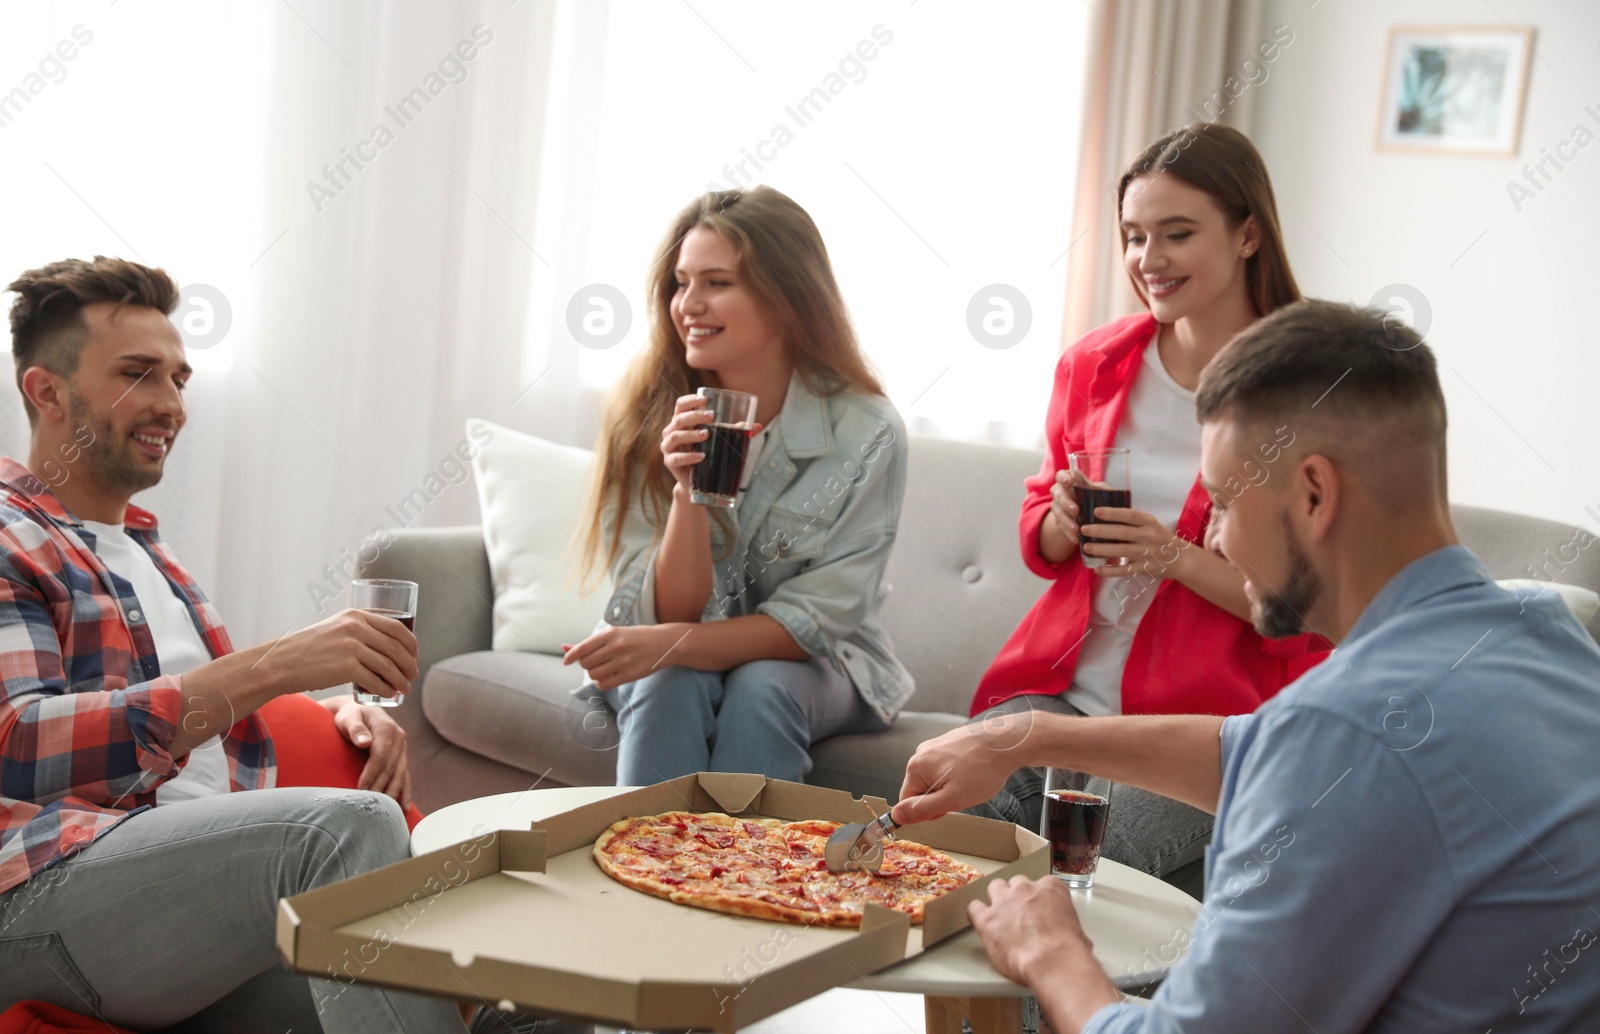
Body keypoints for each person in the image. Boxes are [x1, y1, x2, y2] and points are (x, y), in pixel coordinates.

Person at [893, 300, 1600, 1032]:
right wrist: (1026, 736)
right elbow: (1254, 753)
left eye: (1224, 504)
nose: (1218, 543)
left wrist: (1052, 956)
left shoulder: (1341, 724)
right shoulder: (1548, 635)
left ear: (1315, 494)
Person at [0, 258, 582, 1033]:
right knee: (348, 826)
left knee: (534, 994)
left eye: (179, 378)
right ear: (46, 391)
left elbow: (195, 734)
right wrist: (277, 662)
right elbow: (17, 744)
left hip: (196, 905)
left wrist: (330, 709)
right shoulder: (12, 537)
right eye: (138, 374)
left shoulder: (151, 555)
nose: (169, 403)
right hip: (45, 899)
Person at [964, 125, 1328, 883]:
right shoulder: (1095, 364)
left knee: (1098, 874)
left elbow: (1308, 613)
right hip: (1063, 691)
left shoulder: (1305, 391)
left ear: (1248, 233)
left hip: (1204, 723)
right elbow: (1040, 529)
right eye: (1134, 236)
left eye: (1177, 234)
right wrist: (1061, 520)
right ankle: (965, 1008)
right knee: (949, 832)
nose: (1148, 261)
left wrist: (1177, 559)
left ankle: (1062, 1004)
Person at [568, 186, 909, 786]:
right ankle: (645, 870)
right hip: (668, 654)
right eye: (680, 282)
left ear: (787, 299)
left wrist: (670, 644)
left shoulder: (868, 430)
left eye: (716, 282)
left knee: (761, 685)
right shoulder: (646, 413)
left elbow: (812, 625)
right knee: (665, 681)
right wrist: (685, 494)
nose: (687, 305)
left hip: (821, 663)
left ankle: (753, 879)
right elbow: (665, 612)